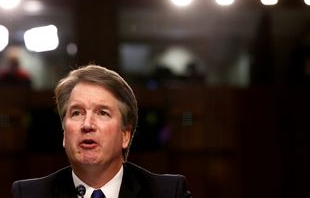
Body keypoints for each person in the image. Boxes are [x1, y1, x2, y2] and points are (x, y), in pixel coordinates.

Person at [11, 64, 192, 198]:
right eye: (77, 113)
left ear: (125, 135)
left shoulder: (167, 193)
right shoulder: (28, 195)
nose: (87, 124)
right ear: (64, 133)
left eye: (102, 113)